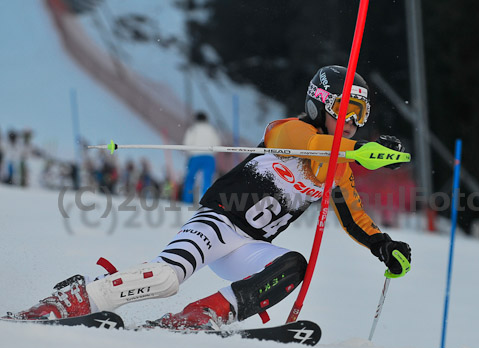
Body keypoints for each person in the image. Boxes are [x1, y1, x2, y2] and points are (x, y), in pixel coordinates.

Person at [7, 66, 412, 330]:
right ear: (319, 105)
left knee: (292, 266)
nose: (355, 124)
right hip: (219, 222)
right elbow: (315, 145)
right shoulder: (289, 131)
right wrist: (363, 151)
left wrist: (384, 246)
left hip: (249, 247)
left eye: (361, 115)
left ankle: (199, 317)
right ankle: (76, 297)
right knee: (166, 279)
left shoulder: (339, 166)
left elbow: (354, 216)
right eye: (347, 111)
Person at [181, 111, 221, 203]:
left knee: (190, 179)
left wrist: (190, 153)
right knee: (207, 179)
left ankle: (187, 200)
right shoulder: (211, 129)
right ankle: (205, 200)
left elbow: (187, 143)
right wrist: (211, 152)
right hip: (209, 156)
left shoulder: (193, 129)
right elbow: (217, 143)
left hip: (195, 156)